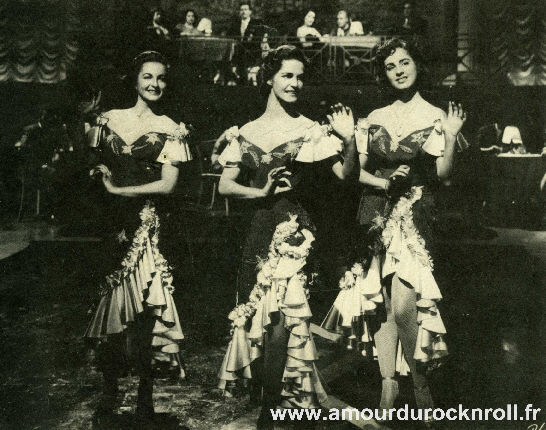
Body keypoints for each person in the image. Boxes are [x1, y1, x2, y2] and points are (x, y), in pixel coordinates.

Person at [322, 37, 467, 426]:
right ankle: (388, 387)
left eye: (404, 62)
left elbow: (443, 175)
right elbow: (354, 173)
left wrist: (451, 136)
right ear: (383, 74)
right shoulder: (374, 116)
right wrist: (384, 183)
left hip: (415, 216)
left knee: (406, 306)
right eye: (390, 66)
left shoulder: (436, 115)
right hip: (375, 212)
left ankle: (422, 393)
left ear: (417, 64)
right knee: (382, 305)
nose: (399, 71)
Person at [216, 45, 358, 429]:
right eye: (287, 75)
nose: (295, 83)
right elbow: (226, 185)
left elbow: (345, 175)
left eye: (300, 77)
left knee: (280, 323)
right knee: (259, 323)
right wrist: (260, 193)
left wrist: (348, 141)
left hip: (294, 235)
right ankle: (267, 397)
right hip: (257, 232)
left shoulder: (311, 130)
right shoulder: (247, 131)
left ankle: (269, 412)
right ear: (269, 77)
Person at [84, 50, 191, 426]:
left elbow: (168, 184)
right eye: (148, 76)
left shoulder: (172, 127)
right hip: (113, 225)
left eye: (161, 78)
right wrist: (98, 172)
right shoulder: (108, 119)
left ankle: (145, 394)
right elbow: (89, 163)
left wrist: (118, 190)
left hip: (147, 228)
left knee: (145, 312)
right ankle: (110, 390)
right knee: (112, 307)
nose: (154, 84)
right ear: (134, 80)